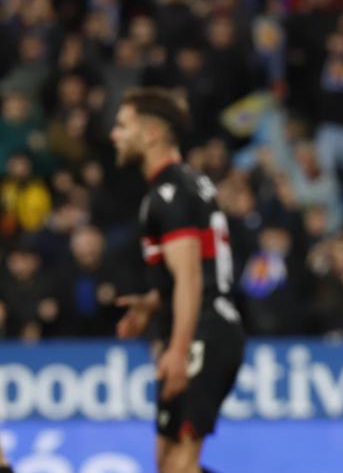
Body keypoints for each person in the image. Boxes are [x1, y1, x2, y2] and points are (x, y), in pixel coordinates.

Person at [110, 88, 245, 473]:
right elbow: (197, 266)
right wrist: (153, 303)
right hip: (200, 324)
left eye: (122, 126)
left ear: (150, 134)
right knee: (168, 463)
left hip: (203, 329)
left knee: (179, 464)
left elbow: (189, 278)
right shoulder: (187, 183)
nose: (114, 135)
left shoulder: (168, 193)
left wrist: (178, 350)